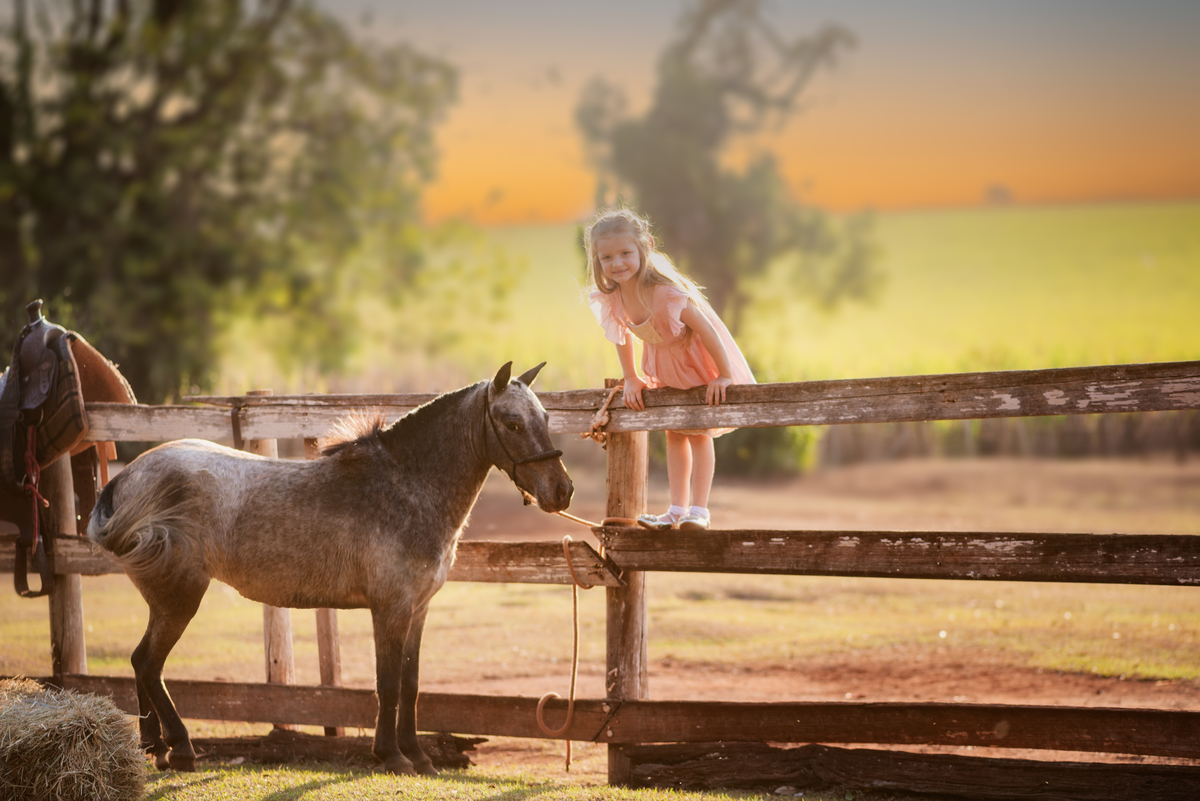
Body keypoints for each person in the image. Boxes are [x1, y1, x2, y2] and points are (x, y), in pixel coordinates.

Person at [584, 207, 755, 531]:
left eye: (624, 253)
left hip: (694, 363)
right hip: (662, 368)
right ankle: (676, 509)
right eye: (606, 257)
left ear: (644, 247)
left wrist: (724, 374)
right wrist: (632, 378)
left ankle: (699, 511)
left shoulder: (666, 293)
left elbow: (708, 331)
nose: (616, 263)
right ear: (597, 260)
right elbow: (620, 337)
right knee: (674, 433)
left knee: (699, 433)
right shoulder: (613, 299)